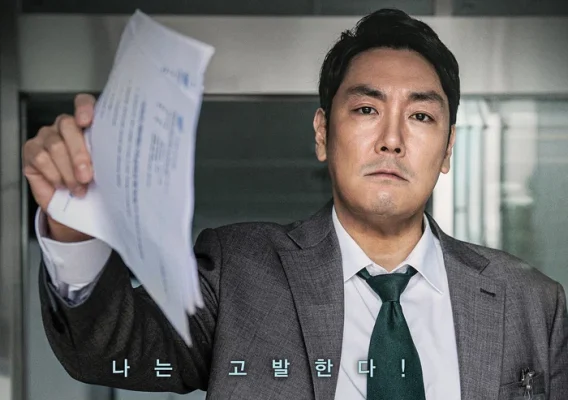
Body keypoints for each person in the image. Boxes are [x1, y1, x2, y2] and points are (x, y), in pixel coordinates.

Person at [22, 8, 567, 400]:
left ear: (447, 149)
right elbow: (109, 349)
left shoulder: (531, 303)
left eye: (421, 116)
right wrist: (75, 221)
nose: (392, 140)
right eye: (367, 110)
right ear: (323, 133)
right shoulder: (239, 272)